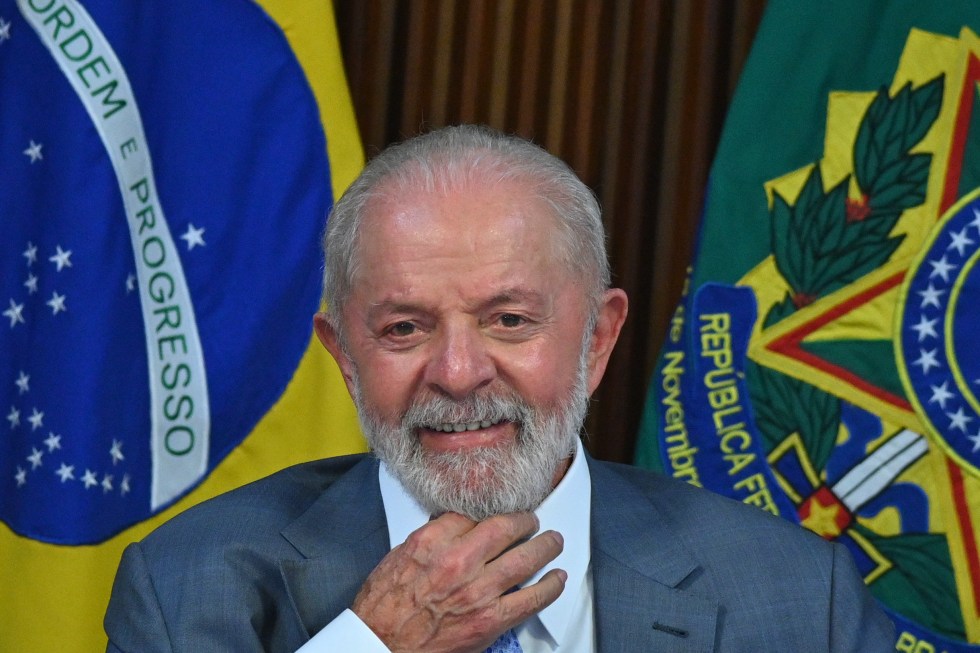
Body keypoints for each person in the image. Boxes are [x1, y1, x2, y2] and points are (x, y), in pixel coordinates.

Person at [104, 125, 895, 652]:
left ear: (598, 337)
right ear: (344, 356)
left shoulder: (797, 596)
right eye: (404, 328)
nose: (456, 373)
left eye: (509, 320)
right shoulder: (190, 586)